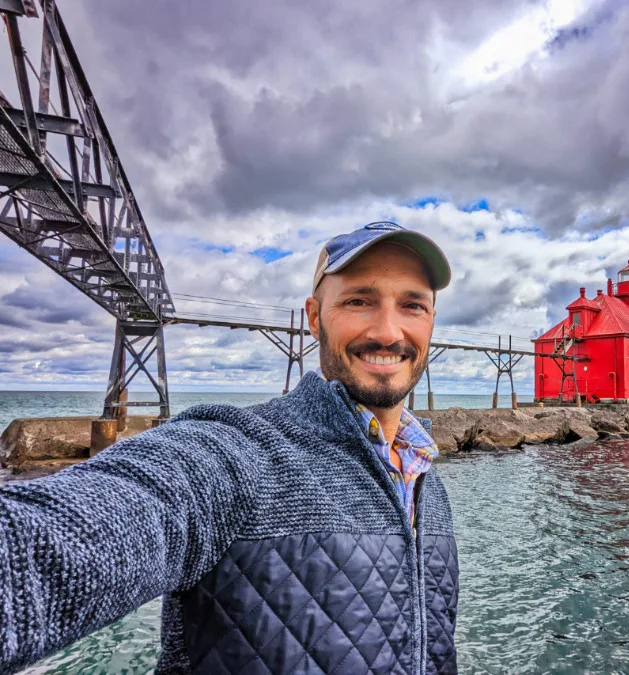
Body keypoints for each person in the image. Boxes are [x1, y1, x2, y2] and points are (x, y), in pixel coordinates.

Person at [0, 222, 458, 675]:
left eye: (412, 306)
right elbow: (71, 532)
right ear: (314, 316)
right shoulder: (239, 449)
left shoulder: (425, 476)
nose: (388, 331)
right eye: (359, 300)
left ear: (431, 321)